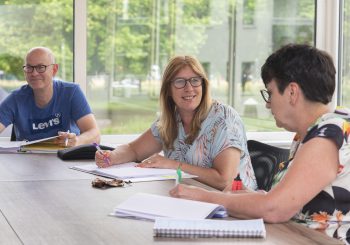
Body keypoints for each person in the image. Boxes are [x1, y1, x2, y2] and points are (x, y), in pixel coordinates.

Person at [169, 44, 350, 244]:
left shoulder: (330, 132)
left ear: (292, 92)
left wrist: (202, 196)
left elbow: (274, 208)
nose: (267, 103)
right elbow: (288, 201)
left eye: (270, 93)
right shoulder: (309, 134)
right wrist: (250, 196)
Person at [96, 55, 257, 190]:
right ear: (168, 90)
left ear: (203, 85)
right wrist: (112, 156)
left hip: (234, 210)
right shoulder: (171, 119)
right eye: (180, 82)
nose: (189, 88)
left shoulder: (224, 120)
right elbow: (134, 150)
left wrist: (171, 164)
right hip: (189, 200)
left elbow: (224, 180)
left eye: (195, 80)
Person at [0, 47, 100, 146]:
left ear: (54, 69)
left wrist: (76, 141)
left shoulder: (71, 92)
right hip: (26, 158)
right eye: (29, 67)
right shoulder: (16, 99)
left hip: (65, 157)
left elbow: (94, 134)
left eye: (41, 67)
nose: (34, 73)